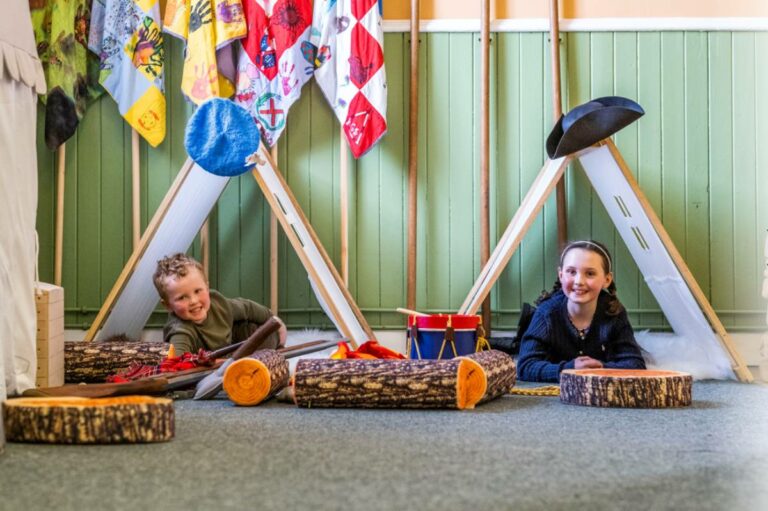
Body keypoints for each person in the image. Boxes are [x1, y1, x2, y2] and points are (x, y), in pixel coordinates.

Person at [517, 240, 646, 382]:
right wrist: (568, 369)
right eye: (571, 272)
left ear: (607, 279)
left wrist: (603, 368)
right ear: (561, 275)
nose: (579, 281)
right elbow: (525, 366)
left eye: (590, 273)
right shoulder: (546, 313)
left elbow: (636, 365)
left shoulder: (614, 313)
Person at [153, 253, 287, 354]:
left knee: (258, 331)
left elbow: (248, 308)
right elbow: (178, 364)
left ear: (207, 287)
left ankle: (269, 350)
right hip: (211, 364)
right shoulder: (181, 331)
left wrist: (275, 322)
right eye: (182, 298)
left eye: (198, 291)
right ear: (168, 305)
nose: (194, 301)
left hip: (232, 345)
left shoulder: (218, 303)